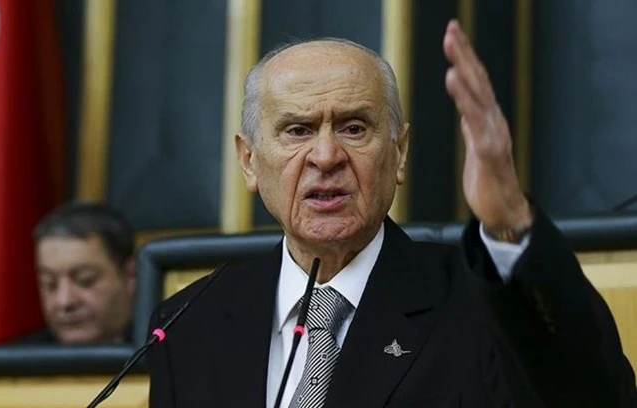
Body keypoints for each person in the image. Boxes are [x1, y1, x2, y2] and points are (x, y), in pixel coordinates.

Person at [147, 21, 637, 407]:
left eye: (354, 128)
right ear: (249, 160)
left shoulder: (479, 304)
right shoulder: (191, 323)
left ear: (399, 153)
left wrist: (511, 220)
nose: (326, 156)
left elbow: (595, 396)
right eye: (298, 130)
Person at [21, 201, 136, 344]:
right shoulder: (18, 355)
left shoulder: (159, 349)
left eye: (85, 280)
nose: (65, 301)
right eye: (50, 284)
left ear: (130, 275)